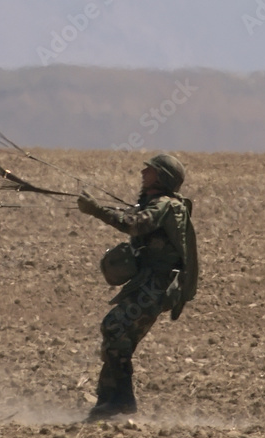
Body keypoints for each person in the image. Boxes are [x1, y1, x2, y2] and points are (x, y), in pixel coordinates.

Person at [77, 154, 198, 421]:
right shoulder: (156, 204)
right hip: (148, 284)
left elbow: (133, 224)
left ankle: (120, 403)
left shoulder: (164, 206)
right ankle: (108, 401)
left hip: (157, 286)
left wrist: (96, 210)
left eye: (151, 170)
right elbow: (134, 217)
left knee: (116, 328)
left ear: (163, 177)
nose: (143, 172)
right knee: (117, 336)